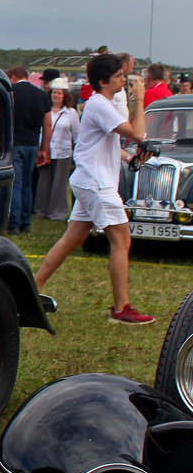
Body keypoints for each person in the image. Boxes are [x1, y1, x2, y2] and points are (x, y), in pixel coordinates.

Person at [34, 53, 154, 325]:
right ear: (103, 81)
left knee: (71, 240)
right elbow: (137, 134)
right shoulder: (100, 105)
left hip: (90, 180)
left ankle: (30, 290)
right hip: (96, 184)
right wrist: (140, 99)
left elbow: (105, 145)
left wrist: (130, 157)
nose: (124, 80)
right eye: (118, 77)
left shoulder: (102, 104)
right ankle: (121, 309)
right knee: (121, 241)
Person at [7, 66, 48, 234]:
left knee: (16, 184)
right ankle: (26, 222)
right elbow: (47, 124)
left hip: (16, 142)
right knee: (27, 184)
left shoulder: (11, 92)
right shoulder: (40, 94)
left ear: (14, 77)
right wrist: (44, 148)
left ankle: (14, 223)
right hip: (32, 143)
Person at [33, 79, 78, 221]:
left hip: (63, 152)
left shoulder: (71, 113)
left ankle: (57, 213)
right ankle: (40, 211)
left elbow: (77, 134)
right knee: (43, 183)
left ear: (65, 95)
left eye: (59, 93)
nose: (56, 95)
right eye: (54, 92)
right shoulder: (44, 111)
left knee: (59, 184)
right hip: (46, 151)